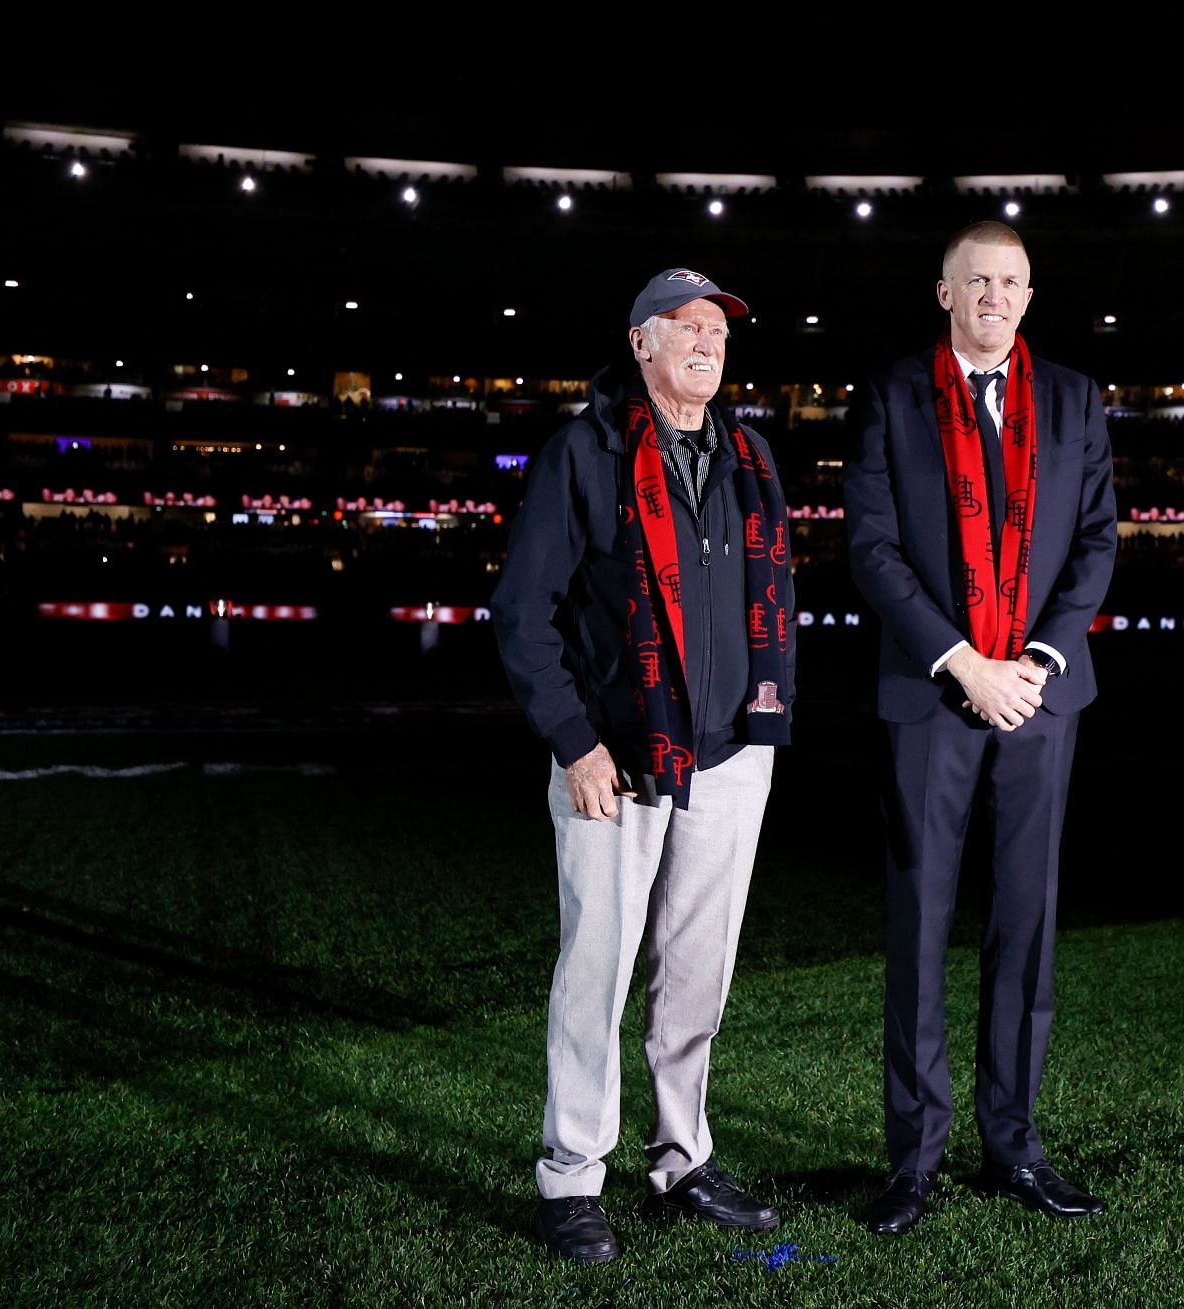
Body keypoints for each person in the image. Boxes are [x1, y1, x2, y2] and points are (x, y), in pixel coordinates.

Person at [491, 268, 797, 1263]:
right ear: (640, 344)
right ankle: (574, 1174)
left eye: (718, 328)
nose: (708, 341)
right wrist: (574, 741)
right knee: (598, 970)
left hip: (729, 754)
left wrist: (760, 726)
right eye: (687, 325)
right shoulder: (584, 451)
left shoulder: (749, 454)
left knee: (696, 974)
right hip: (614, 760)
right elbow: (522, 614)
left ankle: (682, 1156)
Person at [844, 220, 1119, 1235]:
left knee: (1027, 926)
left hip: (1042, 697)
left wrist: (1034, 663)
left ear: (1028, 295)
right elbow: (872, 551)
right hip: (933, 694)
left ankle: (1015, 1146)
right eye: (978, 280)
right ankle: (912, 1160)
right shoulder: (889, 395)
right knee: (920, 922)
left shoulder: (1077, 398)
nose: (995, 294)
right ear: (945, 291)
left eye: (1011, 281)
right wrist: (962, 661)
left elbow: (1095, 545)